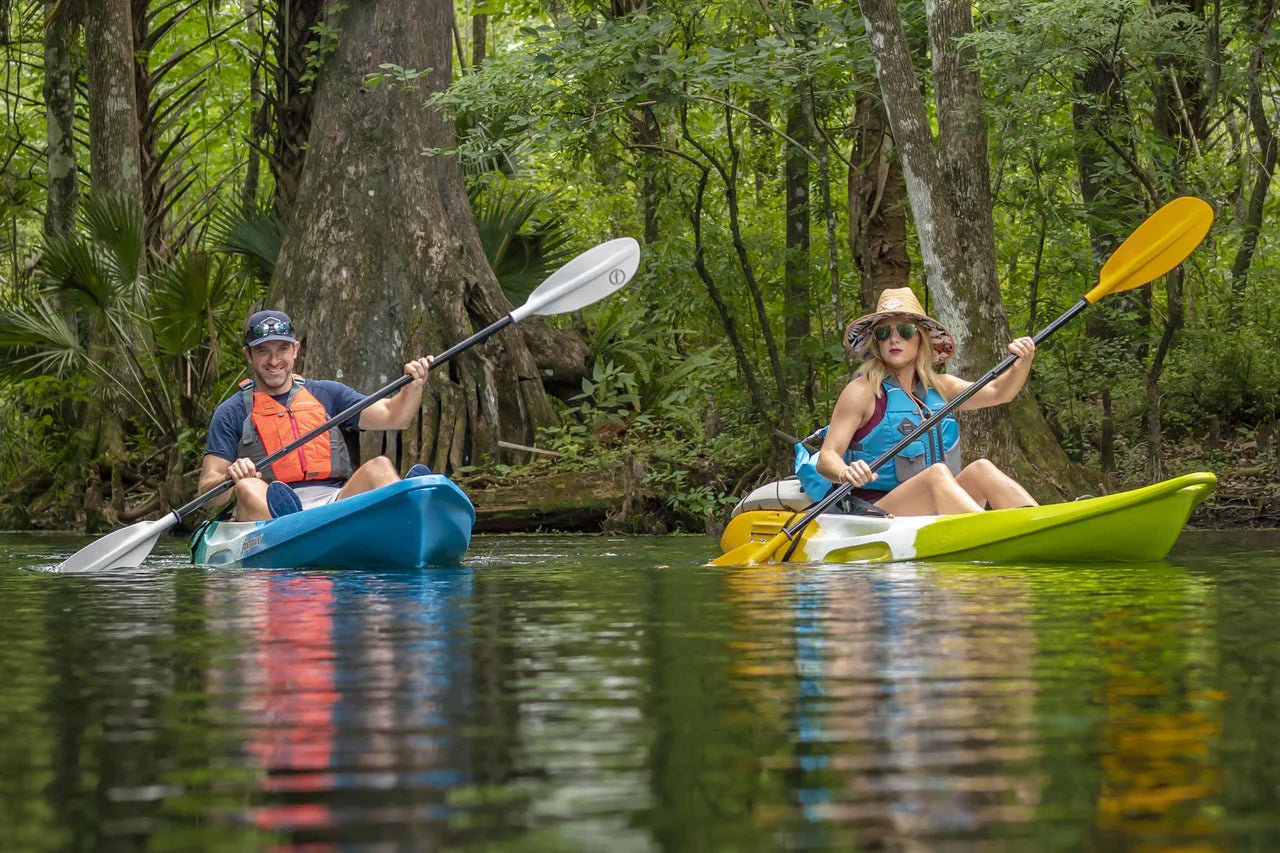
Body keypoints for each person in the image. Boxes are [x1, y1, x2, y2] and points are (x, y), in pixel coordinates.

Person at [815, 287, 1038, 516]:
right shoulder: (863, 391)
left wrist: (1023, 361)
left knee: (982, 469)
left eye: (904, 330)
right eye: (883, 333)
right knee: (936, 475)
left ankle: (1037, 523)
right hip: (876, 511)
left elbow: (999, 392)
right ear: (877, 343)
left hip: (931, 502)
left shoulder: (941, 386)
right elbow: (827, 457)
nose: (893, 339)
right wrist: (845, 472)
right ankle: (992, 534)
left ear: (920, 339)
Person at [198, 309, 435, 520]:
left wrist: (413, 387)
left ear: (295, 350)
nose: (274, 361)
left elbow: (395, 416)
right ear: (248, 355)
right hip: (271, 509)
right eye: (263, 352)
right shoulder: (232, 411)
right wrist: (228, 477)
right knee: (247, 487)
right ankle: (292, 527)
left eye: (282, 349)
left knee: (380, 467)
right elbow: (208, 494)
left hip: (333, 502)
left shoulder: (327, 393)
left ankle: (410, 510)